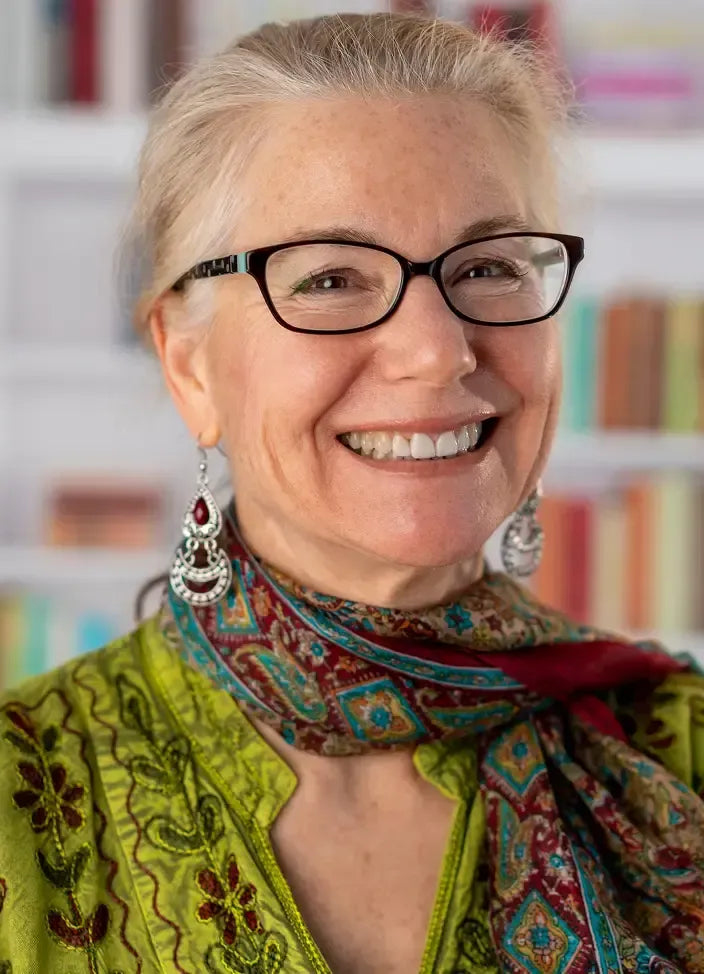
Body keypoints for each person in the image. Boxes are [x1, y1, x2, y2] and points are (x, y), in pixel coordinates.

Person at [1, 11, 703, 974]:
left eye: (489, 268)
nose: (437, 351)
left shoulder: (680, 747)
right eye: (331, 278)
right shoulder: (20, 792)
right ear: (190, 365)